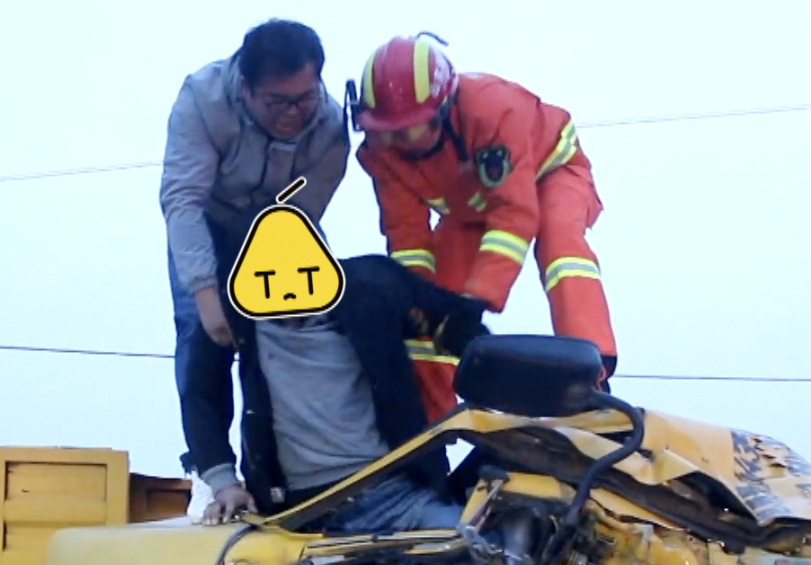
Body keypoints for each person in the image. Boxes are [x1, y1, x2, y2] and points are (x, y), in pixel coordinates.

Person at [347, 33, 617, 422]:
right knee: (427, 307)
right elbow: (407, 238)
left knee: (561, 248)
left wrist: (474, 304)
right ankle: (428, 425)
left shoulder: (492, 112)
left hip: (550, 171)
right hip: (472, 205)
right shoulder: (382, 153)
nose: (395, 141)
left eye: (408, 128)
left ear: (443, 109)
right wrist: (422, 304)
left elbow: (514, 216)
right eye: (383, 128)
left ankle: (592, 378)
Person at [160, 19, 353, 514]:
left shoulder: (330, 125)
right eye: (277, 102)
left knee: (302, 332)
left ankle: (294, 472)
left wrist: (280, 294)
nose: (293, 114)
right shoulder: (202, 100)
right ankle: (215, 474)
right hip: (208, 222)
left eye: (303, 99)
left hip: (277, 224)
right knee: (204, 340)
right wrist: (207, 294)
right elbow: (182, 200)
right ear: (245, 88)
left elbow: (303, 215)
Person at [179, 237, 488, 535]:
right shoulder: (235, 313)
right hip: (302, 516)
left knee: (485, 555)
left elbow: (457, 322)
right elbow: (201, 393)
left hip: (397, 494)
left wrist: (512, 386)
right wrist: (224, 483)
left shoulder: (370, 285)